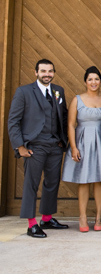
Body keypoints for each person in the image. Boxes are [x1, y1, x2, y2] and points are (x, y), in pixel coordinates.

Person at [8, 58, 69, 238]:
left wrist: (62, 140)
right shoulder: (24, 92)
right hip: (33, 146)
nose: (47, 74)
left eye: (50, 71)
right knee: (31, 184)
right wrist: (19, 146)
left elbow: (63, 117)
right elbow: (13, 121)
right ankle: (31, 223)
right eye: (43, 71)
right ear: (36, 73)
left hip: (54, 145)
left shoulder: (59, 91)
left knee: (52, 182)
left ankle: (47, 218)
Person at [62, 66, 101, 232]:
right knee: (83, 180)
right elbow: (70, 124)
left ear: (100, 81)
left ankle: (99, 216)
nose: (93, 82)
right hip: (82, 141)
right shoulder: (77, 99)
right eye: (90, 79)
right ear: (85, 82)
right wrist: (74, 147)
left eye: (96, 79)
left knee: (99, 179)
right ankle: (82, 216)